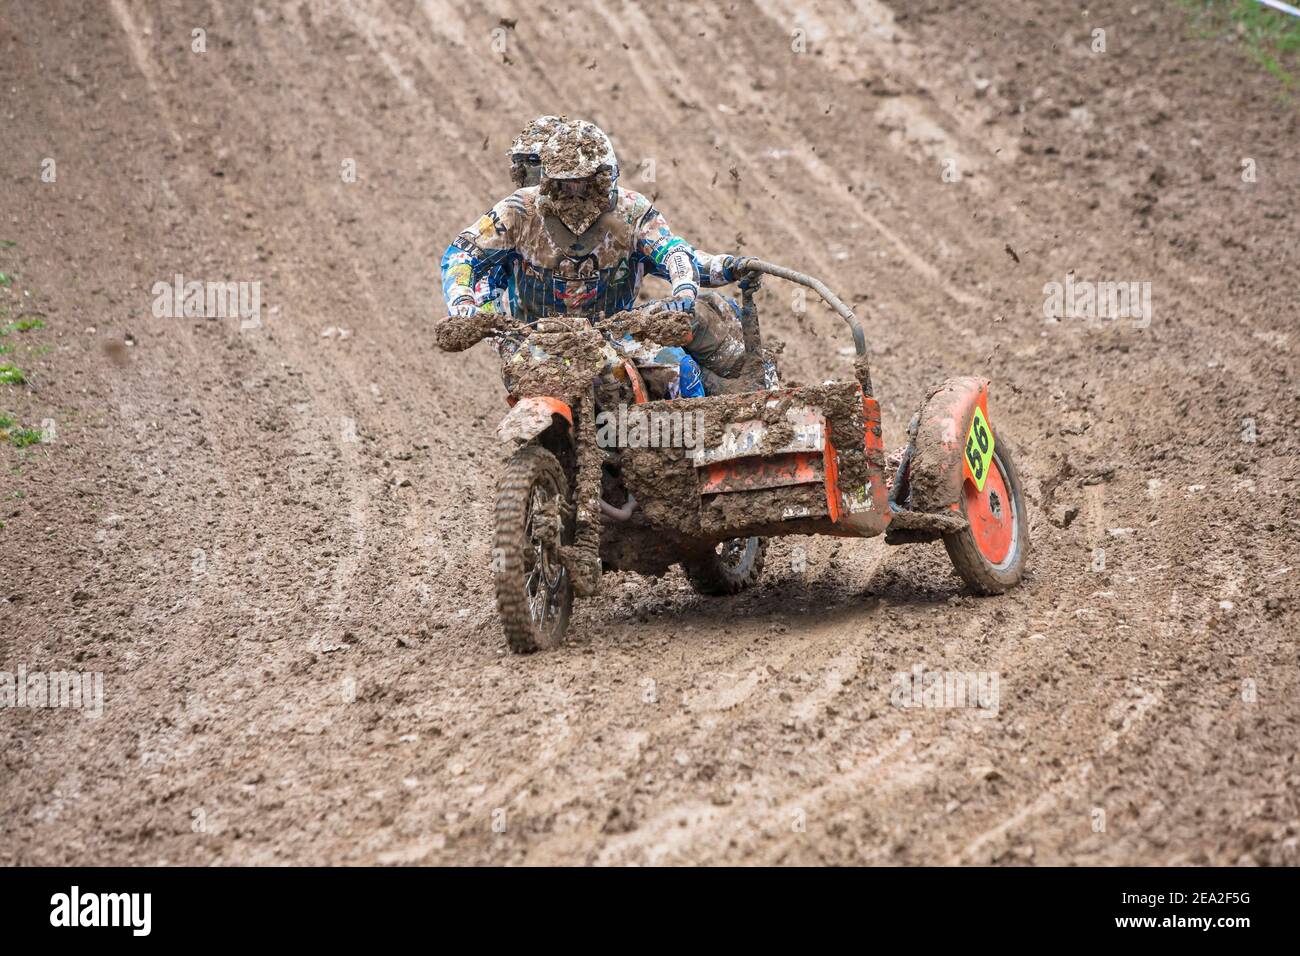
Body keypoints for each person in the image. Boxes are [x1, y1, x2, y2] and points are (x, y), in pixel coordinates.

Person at [439, 119, 747, 397]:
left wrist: (714, 274)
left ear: (606, 178)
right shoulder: (518, 212)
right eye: (563, 185)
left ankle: (696, 448)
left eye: (585, 185)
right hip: (536, 344)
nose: (574, 194)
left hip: (617, 335)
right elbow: (462, 255)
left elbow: (673, 252)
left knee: (680, 368)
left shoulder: (631, 211)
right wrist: (468, 312)